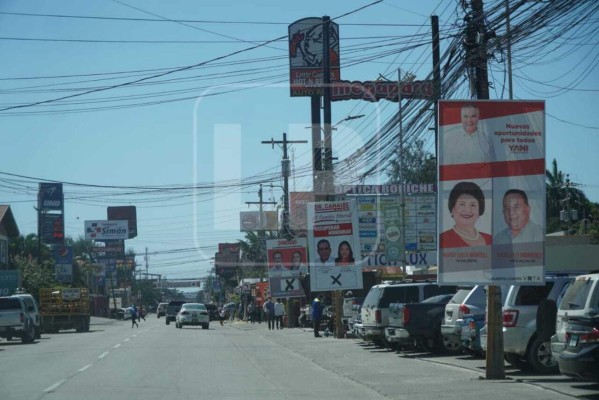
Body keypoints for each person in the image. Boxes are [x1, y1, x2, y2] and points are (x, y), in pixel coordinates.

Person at [440, 181, 492, 248]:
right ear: (452, 208)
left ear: (480, 210)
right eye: (462, 204)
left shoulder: (491, 239)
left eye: (473, 205)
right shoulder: (442, 239)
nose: (467, 210)